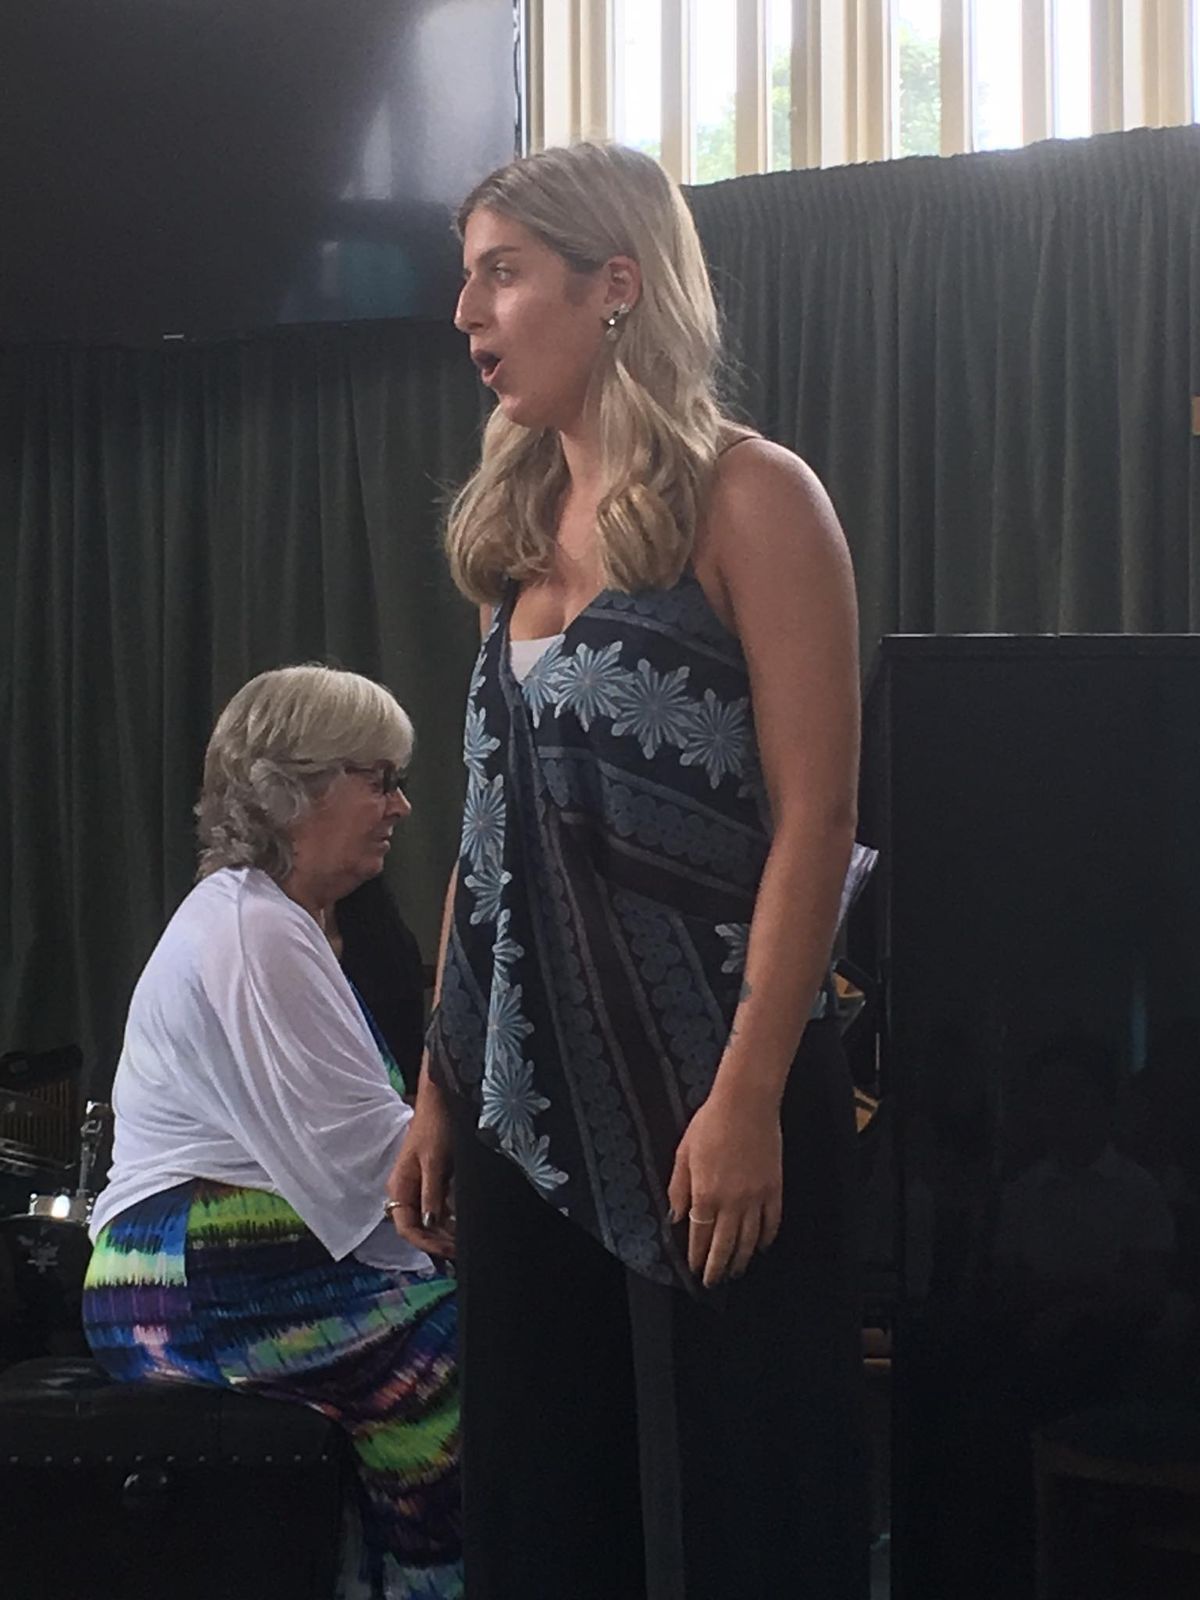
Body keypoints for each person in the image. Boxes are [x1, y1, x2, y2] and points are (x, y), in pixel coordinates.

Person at [389, 142, 867, 1598]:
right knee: (543, 1504)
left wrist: (748, 1097)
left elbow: (816, 821)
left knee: (745, 1499)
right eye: (465, 277)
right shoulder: (512, 533)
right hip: (521, 1093)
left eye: (502, 272)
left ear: (616, 285)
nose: (467, 312)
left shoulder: (755, 496)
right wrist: (439, 1086)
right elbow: (491, 835)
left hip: (717, 1088)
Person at [83, 665, 461, 1600]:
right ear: (295, 788)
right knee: (480, 1349)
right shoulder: (254, 930)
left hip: (200, 1265)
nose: (401, 806)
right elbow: (378, 1171)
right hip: (189, 1271)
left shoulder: (266, 919)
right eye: (380, 779)